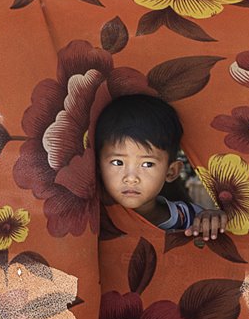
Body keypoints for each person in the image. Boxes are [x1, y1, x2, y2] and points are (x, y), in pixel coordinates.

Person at [95, 94, 226, 238]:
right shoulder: (91, 216)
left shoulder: (188, 218)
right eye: (117, 162)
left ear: (171, 172)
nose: (131, 178)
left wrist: (212, 220)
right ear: (98, 166)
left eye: (147, 164)